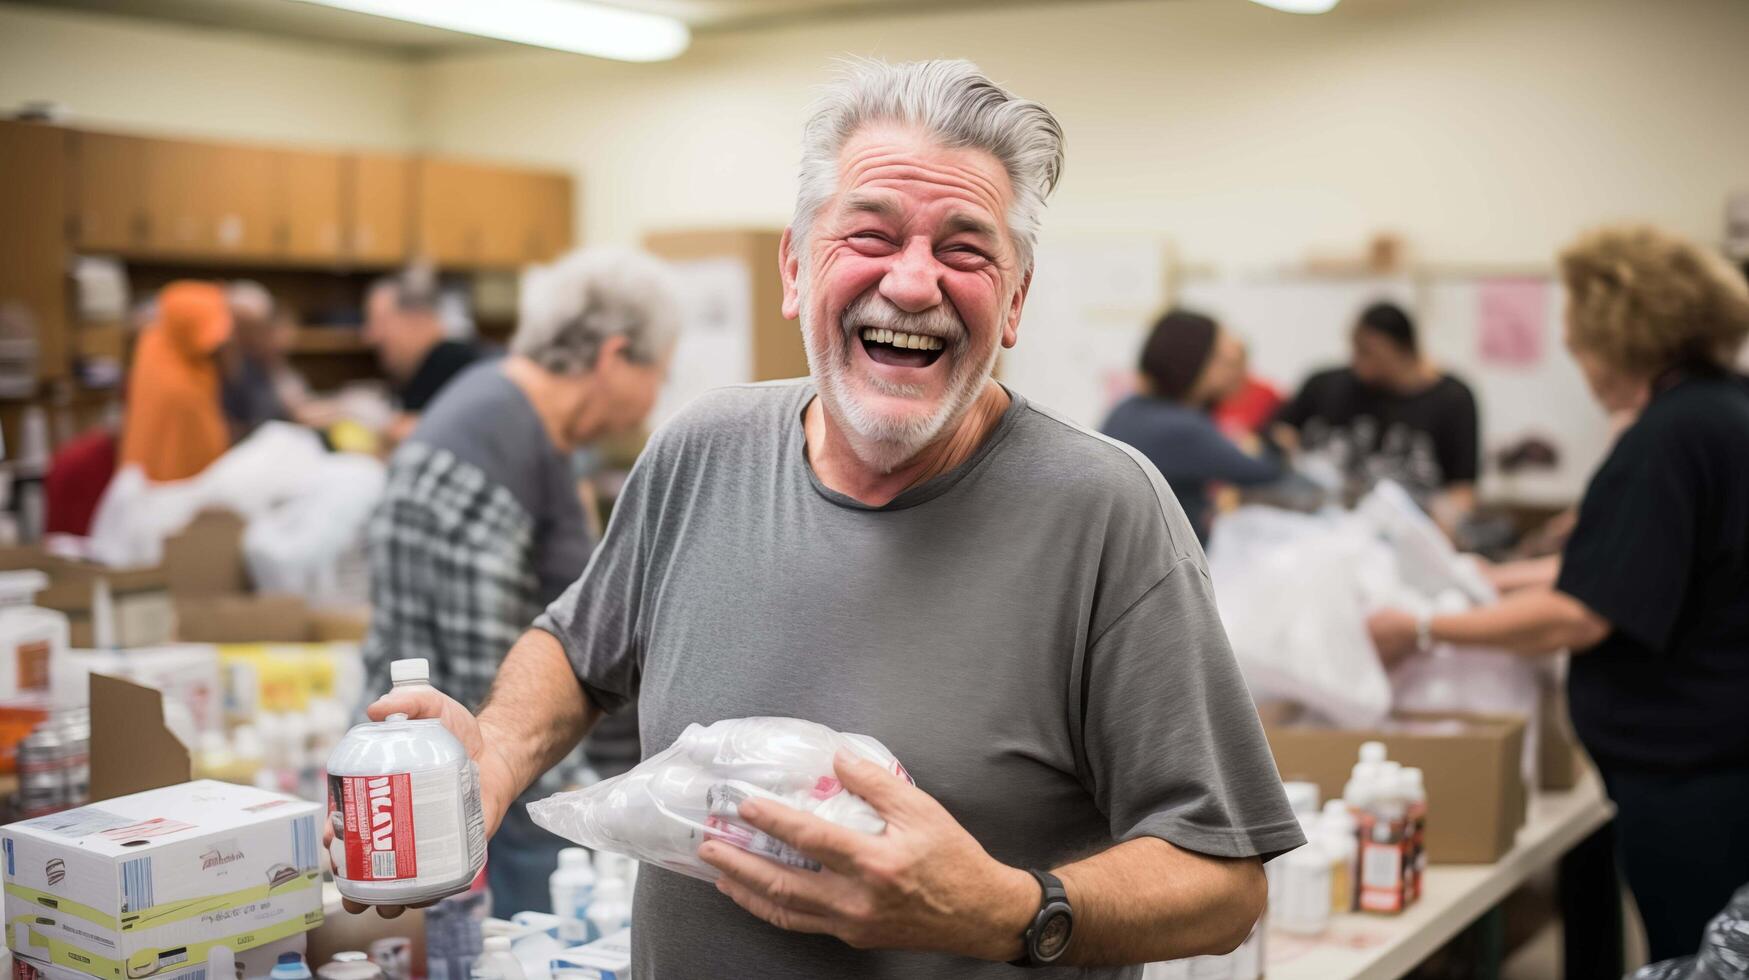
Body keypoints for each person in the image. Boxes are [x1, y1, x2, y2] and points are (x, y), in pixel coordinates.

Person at [344, 59, 1302, 977]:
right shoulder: (702, 449)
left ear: (1013, 299)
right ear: (796, 268)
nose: (914, 283)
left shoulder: (1106, 513)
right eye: (872, 236)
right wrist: (500, 749)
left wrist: (1010, 911)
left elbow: (1222, 880)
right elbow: (577, 648)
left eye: (964, 249)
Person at [1368, 224, 1749, 963]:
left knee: (1695, 948)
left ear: (1623, 331)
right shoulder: (1719, 409)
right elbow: (1637, 566)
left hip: (1690, 769)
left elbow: (1580, 613)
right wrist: (1491, 579)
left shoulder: (1670, 436)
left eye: (1576, 343)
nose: (1576, 364)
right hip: (1716, 748)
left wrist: (1420, 625)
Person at [359, 246, 681, 918]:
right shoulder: (484, 447)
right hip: (488, 815)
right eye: (659, 371)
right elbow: (494, 705)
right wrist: (603, 843)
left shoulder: (540, 437)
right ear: (614, 356)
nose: (657, 396)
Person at [1274, 300, 1480, 514]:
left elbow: (1462, 490)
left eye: (1367, 352)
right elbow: (1280, 434)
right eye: (1355, 348)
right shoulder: (1325, 386)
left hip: (1402, 526)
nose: (1357, 361)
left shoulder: (1452, 400)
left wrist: (1445, 521)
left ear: (1404, 350)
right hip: (1319, 518)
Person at [1102, 309, 1283, 543]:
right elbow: (1265, 471)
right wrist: (1272, 444)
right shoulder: (1181, 427)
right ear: (1194, 361)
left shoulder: (1127, 408)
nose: (1238, 373)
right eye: (1224, 360)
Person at [119, 280, 233, 482]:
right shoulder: (182, 389)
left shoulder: (155, 342)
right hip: (170, 491)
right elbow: (205, 457)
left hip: (142, 483)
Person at [363, 265, 477, 445]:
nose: (370, 336)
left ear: (417, 317)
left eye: (381, 322)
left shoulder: (452, 361)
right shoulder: (423, 365)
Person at [219, 280, 291, 437]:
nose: (254, 336)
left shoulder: (264, 360)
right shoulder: (224, 363)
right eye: (245, 327)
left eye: (259, 327)